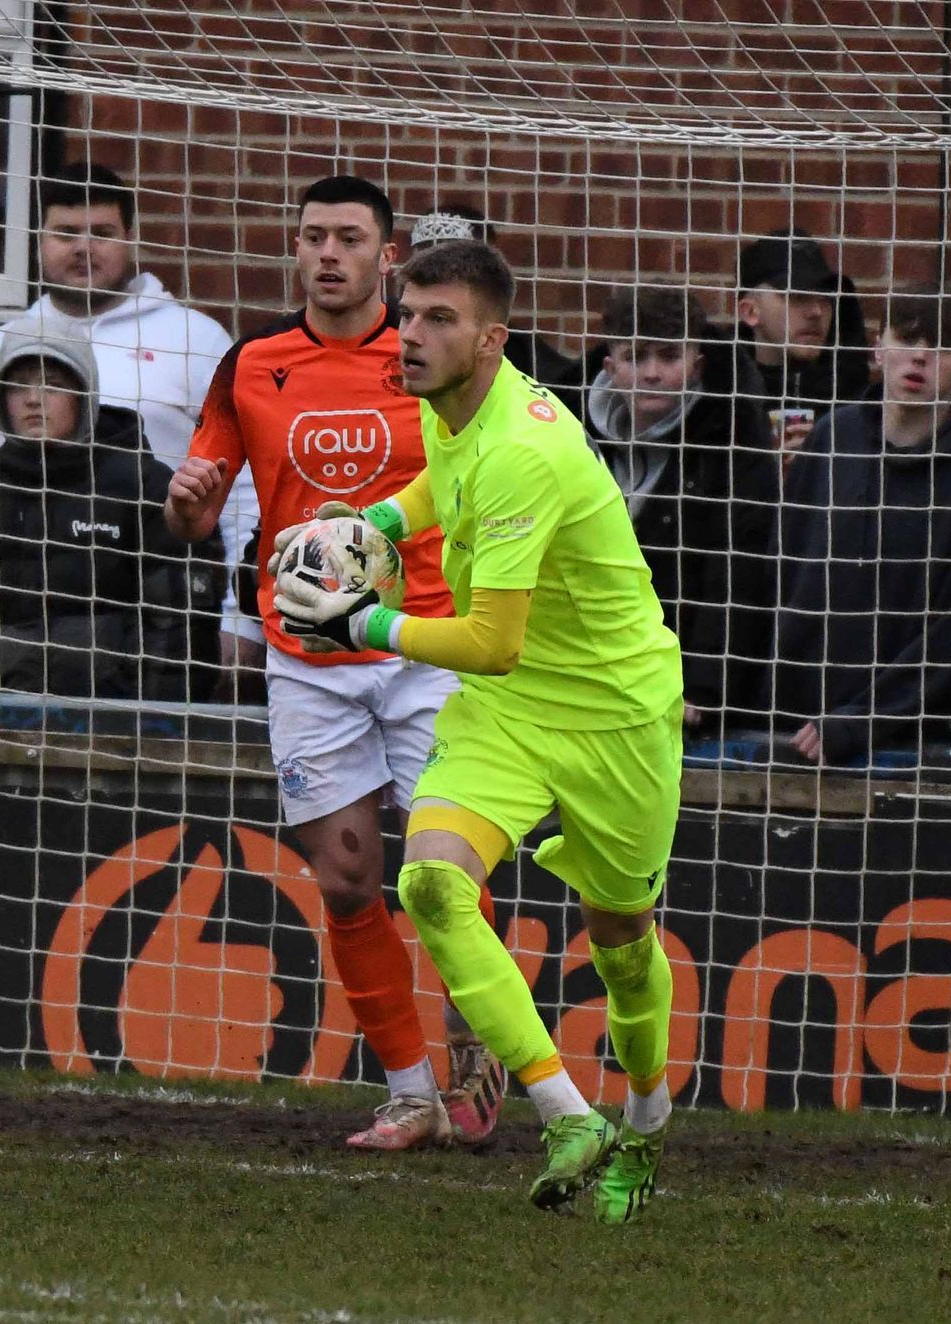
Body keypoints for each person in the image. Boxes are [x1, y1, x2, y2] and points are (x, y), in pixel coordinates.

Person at [257, 239, 685, 1225]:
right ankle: (567, 1114)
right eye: (407, 314)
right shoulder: (446, 405)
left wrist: (361, 623)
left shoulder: (524, 453)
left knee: (622, 944)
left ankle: (647, 1119)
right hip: (507, 715)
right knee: (432, 883)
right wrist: (370, 523)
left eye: (438, 319)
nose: (409, 335)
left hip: (615, 715)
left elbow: (491, 641)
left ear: (492, 340)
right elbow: (438, 490)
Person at [162, 176, 505, 1152]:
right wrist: (186, 504)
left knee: (445, 869)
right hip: (307, 653)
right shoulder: (253, 362)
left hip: (425, 645)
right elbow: (195, 511)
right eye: (313, 236)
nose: (327, 254)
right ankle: (408, 1094)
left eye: (349, 238)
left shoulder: (434, 354)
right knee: (348, 877)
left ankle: (479, 1042)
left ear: (388, 257)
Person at [0, 163, 259, 686]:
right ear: (38, 240)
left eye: (101, 233)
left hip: (154, 631)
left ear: (130, 237)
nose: (83, 249)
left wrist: (240, 621)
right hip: (16, 646)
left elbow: (242, 491)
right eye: (65, 233)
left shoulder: (196, 341)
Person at [0, 326, 221, 701]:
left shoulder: (145, 488)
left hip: (121, 719)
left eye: (52, 385)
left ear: (84, 396)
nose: (33, 400)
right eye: (17, 387)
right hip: (4, 717)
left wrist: (153, 720)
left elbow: (177, 627)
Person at [766, 287, 951, 767]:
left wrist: (865, 719)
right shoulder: (832, 438)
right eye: (906, 339)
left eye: (941, 346)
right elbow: (782, 569)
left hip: (918, 739)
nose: (920, 357)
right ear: (878, 349)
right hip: (801, 724)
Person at [580, 283, 779, 736]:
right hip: (588, 669)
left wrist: (704, 685)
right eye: (636, 357)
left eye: (669, 357)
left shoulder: (732, 440)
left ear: (697, 364)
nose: (652, 373)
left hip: (682, 680)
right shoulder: (570, 433)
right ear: (610, 367)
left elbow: (737, 569)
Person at [406, 203, 578, 399]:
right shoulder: (396, 335)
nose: (434, 272)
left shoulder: (539, 369)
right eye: (424, 262)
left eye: (456, 263)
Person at [733, 229, 873, 457]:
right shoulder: (718, 400)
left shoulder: (857, 402)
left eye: (825, 297)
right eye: (797, 296)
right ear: (750, 311)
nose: (816, 311)